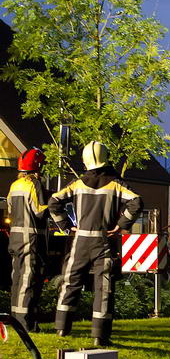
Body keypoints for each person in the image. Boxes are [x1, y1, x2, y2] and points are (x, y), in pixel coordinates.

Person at [49, 141, 143, 346]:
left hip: (80, 241)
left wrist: (66, 226)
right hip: (104, 241)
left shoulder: (78, 183)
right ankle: (100, 336)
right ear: (106, 158)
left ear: (85, 161)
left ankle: (62, 329)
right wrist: (121, 225)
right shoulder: (115, 184)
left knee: (70, 283)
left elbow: (54, 202)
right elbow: (137, 202)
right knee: (104, 287)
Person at [7, 148, 47, 332]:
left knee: (17, 278)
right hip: (30, 239)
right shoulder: (34, 184)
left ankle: (15, 319)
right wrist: (53, 202)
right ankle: (26, 324)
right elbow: (39, 211)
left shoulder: (14, 185)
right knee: (29, 279)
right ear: (37, 166)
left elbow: (10, 209)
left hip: (15, 239)